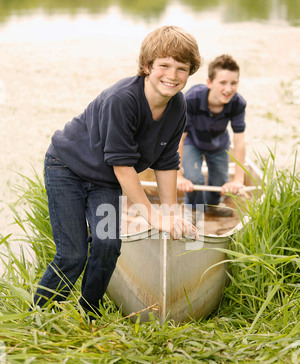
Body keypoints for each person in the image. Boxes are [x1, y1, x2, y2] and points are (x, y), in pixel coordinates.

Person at [30, 25, 201, 320]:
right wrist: (152, 215)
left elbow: (166, 162)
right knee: (73, 254)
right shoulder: (122, 100)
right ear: (147, 66)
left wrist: (171, 212)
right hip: (66, 168)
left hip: (104, 180)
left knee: (108, 244)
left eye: (181, 68)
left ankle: (89, 312)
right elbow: (123, 167)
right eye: (164, 65)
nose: (172, 76)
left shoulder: (178, 105)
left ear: (190, 72)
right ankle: (38, 317)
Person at [177, 54, 246, 217]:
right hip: (192, 142)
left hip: (218, 144)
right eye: (222, 83)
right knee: (193, 179)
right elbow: (179, 138)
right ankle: (195, 209)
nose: (228, 89)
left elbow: (240, 142)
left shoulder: (238, 104)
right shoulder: (191, 99)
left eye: (233, 83)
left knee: (220, 183)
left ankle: (211, 207)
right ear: (209, 82)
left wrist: (238, 179)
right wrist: (178, 175)